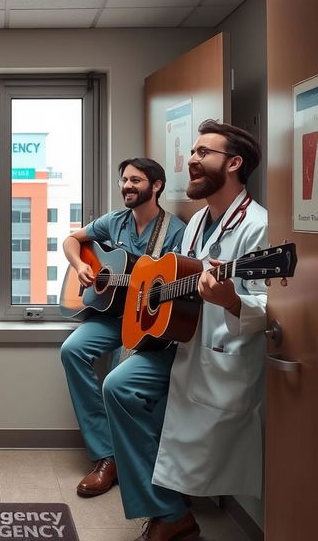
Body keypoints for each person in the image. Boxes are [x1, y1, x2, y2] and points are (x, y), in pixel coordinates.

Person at [103, 120, 267, 541]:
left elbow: (267, 307)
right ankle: (168, 508)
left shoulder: (257, 226)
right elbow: (171, 277)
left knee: (132, 392)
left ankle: (170, 513)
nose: (192, 160)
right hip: (179, 341)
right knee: (118, 385)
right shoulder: (195, 222)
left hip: (217, 351)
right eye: (192, 152)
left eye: (203, 153)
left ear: (233, 163)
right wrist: (153, 295)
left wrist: (230, 299)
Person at [61, 158, 186, 498]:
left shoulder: (174, 231)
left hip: (145, 322)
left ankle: (130, 461)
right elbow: (72, 240)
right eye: (124, 180)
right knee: (71, 350)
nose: (127, 186)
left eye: (136, 180)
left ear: (156, 186)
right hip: (110, 315)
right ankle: (106, 455)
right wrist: (82, 268)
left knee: (120, 375)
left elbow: (175, 281)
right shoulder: (114, 221)